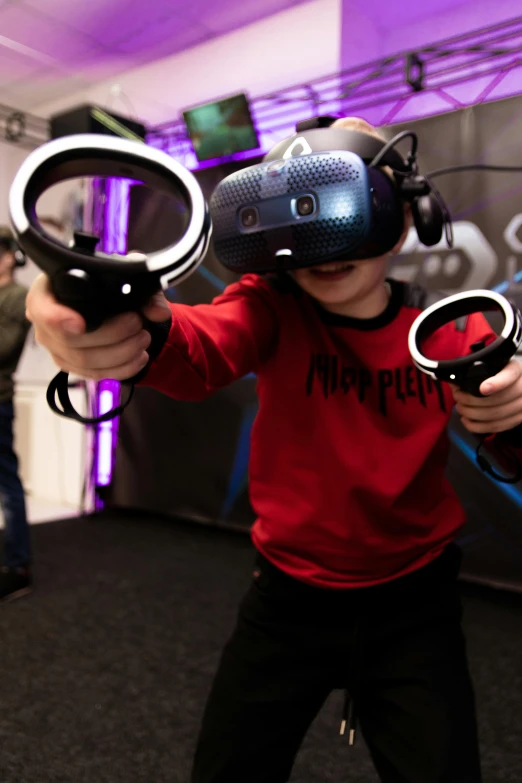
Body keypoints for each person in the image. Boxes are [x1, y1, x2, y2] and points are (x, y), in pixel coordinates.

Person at [25, 117, 522, 782]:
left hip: (414, 606)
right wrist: (121, 321)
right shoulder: (269, 306)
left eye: (344, 209)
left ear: (404, 218)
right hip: (288, 599)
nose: (325, 250)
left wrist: (510, 412)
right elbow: (199, 344)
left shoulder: (444, 328)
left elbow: (509, 442)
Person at [0, 226, 32, 601]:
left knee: (8, 485)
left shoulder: (18, 296)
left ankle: (17, 565)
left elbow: (4, 347)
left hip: (0, 401)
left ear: (10, 255)